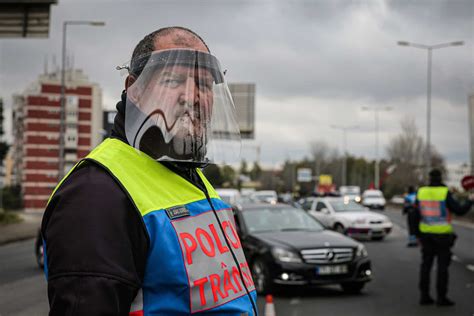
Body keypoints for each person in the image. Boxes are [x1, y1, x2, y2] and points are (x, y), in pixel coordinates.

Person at [41, 26, 258, 315]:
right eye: (173, 80)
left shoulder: (188, 176)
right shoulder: (97, 193)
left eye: (203, 84)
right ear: (134, 88)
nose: (191, 96)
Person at [416, 169, 472, 307]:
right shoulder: (444, 192)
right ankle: (441, 298)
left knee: (426, 266)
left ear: (429, 178)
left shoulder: (421, 192)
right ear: (441, 178)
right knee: (442, 268)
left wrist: (416, 234)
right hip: (442, 236)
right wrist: (470, 201)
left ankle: (424, 296)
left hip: (426, 235)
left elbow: (415, 214)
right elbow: (459, 210)